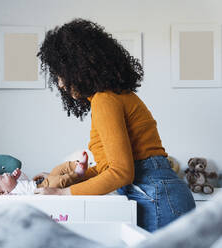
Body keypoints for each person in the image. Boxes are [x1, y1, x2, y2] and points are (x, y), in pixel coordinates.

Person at [35, 18, 195, 232]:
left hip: (157, 197)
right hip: (158, 194)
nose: (60, 84)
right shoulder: (108, 99)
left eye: (61, 73)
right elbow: (107, 169)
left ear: (80, 66)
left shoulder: (105, 100)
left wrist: (62, 193)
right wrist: (63, 180)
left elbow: (121, 173)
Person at [0, 151, 88, 195]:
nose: (5, 174)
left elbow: (27, 180)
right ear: (2, 193)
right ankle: (78, 174)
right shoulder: (13, 195)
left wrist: (19, 175)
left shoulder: (15, 184)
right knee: (58, 181)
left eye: (2, 174)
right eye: (2, 178)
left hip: (42, 182)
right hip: (44, 188)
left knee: (57, 170)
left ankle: (76, 164)